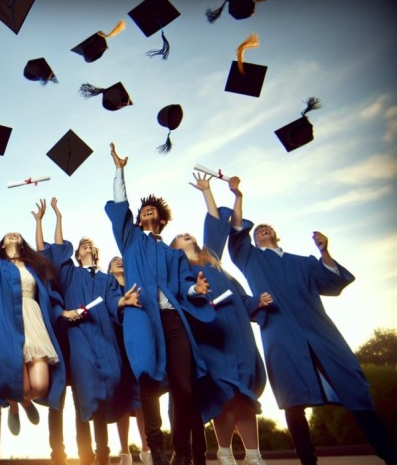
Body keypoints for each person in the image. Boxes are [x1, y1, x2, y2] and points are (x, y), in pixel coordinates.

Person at [227, 177, 397, 465]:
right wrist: (238, 196)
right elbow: (236, 231)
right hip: (279, 334)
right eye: (258, 231)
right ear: (254, 239)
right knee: (293, 402)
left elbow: (330, 281)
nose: (262, 230)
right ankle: (308, 461)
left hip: (319, 330)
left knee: (354, 388)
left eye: (268, 228)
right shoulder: (251, 259)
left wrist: (323, 252)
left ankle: (389, 453)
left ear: (277, 235)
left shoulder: (304, 262)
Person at [106, 144, 212, 465]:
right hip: (142, 318)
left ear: (162, 220)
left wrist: (195, 288)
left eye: (154, 210)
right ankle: (157, 452)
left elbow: (182, 285)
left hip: (172, 320)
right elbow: (121, 206)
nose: (147, 211)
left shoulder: (173, 253)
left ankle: (182, 453)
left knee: (183, 388)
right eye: (144, 210)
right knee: (148, 381)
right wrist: (120, 171)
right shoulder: (130, 240)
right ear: (138, 218)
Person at [169, 173, 269, 465]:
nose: (186, 234)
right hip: (212, 334)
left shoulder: (212, 259)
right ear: (173, 248)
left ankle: (254, 455)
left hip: (238, 329)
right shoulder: (179, 269)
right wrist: (197, 293)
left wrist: (207, 190)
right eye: (180, 236)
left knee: (245, 394)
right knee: (225, 391)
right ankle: (224, 451)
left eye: (188, 233)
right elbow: (182, 297)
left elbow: (214, 224)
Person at [36, 197, 139, 465]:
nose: (86, 246)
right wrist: (56, 217)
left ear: (95, 252)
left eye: (90, 244)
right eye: (82, 245)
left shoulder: (106, 279)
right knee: (83, 395)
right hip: (75, 338)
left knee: (105, 390)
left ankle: (102, 451)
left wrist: (123, 302)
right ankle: (85, 455)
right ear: (77, 254)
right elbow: (57, 249)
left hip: (104, 337)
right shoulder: (70, 275)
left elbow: (114, 299)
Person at [0, 175, 66, 437]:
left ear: (21, 242)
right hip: (6, 325)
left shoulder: (34, 267)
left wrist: (42, 221)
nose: (12, 234)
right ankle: (14, 405)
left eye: (16, 234)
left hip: (33, 321)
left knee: (40, 384)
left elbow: (45, 252)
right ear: (2, 244)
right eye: (7, 235)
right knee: (16, 383)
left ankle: (27, 401)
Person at [108, 256, 151, 465]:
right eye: (114, 261)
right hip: (117, 343)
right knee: (124, 399)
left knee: (143, 396)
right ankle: (125, 452)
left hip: (137, 341)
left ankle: (146, 449)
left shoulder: (137, 282)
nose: (119, 261)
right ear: (108, 269)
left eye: (121, 259)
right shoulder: (108, 286)